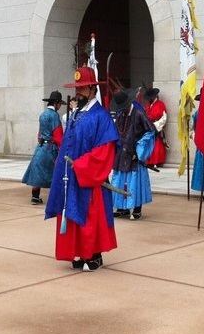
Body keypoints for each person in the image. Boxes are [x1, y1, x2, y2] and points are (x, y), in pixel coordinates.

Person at [45, 67, 119, 271]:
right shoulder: (76, 114)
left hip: (88, 177)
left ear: (93, 90)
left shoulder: (101, 116)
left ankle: (93, 254)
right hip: (70, 176)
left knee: (89, 214)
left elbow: (105, 150)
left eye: (83, 88)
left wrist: (82, 165)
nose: (78, 93)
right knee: (70, 213)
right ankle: (76, 252)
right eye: (78, 88)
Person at [111, 89, 155, 220]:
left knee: (135, 182)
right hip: (121, 155)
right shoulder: (119, 116)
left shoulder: (139, 114)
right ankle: (121, 208)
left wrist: (139, 150)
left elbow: (151, 131)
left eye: (124, 107)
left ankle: (137, 208)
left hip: (135, 155)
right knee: (119, 181)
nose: (122, 109)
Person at [22, 90, 65, 204]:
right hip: (50, 148)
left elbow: (39, 133)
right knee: (55, 172)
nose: (60, 106)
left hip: (40, 146)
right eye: (60, 103)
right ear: (56, 103)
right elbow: (58, 134)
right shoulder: (54, 115)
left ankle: (35, 196)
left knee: (37, 170)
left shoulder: (43, 114)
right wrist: (63, 148)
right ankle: (56, 198)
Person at [143, 87, 168, 168]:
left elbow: (164, 118)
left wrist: (157, 125)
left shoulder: (160, 104)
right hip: (148, 126)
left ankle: (157, 161)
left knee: (157, 145)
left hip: (156, 125)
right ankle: (148, 161)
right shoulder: (148, 105)